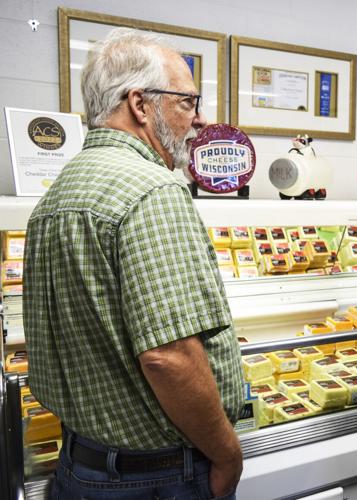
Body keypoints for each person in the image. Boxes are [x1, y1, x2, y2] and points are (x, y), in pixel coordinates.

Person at [23, 29, 244, 499]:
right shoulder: (153, 191)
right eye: (188, 102)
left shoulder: (55, 196)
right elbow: (167, 357)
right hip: (155, 478)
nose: (200, 119)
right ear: (141, 104)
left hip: (80, 464)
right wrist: (227, 454)